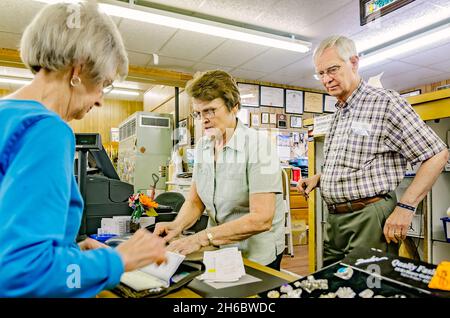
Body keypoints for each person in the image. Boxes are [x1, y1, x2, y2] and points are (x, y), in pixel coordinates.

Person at [0, 1, 166, 297]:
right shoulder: (46, 130)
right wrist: (117, 259)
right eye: (104, 83)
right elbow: (22, 274)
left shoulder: (8, 116)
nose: (100, 100)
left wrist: (72, 252)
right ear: (77, 70)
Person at [297, 35, 449, 266]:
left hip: (369, 216)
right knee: (333, 284)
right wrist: (320, 179)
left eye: (333, 69)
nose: (326, 79)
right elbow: (357, 162)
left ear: (354, 62)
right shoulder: (340, 110)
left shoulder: (385, 103)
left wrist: (406, 207)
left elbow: (437, 154)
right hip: (335, 218)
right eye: (321, 74)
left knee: (367, 286)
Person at [154, 70, 286, 270]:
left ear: (234, 107)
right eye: (198, 113)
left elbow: (262, 218)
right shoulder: (203, 147)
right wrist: (177, 226)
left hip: (256, 256)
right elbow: (194, 201)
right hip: (218, 251)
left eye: (210, 110)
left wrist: (200, 239)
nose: (203, 119)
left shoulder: (260, 146)